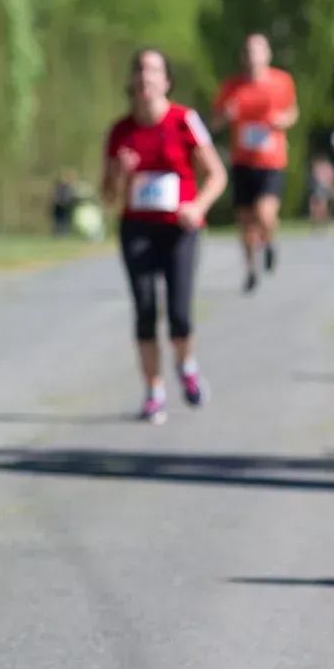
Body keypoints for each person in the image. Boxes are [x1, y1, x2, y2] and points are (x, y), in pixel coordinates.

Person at [103, 48, 227, 425]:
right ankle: (153, 391)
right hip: (137, 227)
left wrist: (199, 207)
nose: (146, 78)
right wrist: (121, 173)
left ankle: (186, 364)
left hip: (180, 228)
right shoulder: (121, 131)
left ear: (166, 82)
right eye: (140, 71)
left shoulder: (185, 120)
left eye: (154, 71)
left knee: (178, 313)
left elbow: (217, 175)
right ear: (132, 81)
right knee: (144, 311)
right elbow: (107, 194)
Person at [212, 32, 297, 293]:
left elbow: (293, 111)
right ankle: (251, 270)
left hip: (271, 160)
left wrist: (284, 121)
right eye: (248, 51)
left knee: (264, 214)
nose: (253, 56)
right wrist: (225, 117)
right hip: (242, 161)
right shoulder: (231, 87)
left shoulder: (281, 81)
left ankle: (269, 241)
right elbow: (213, 123)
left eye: (258, 51)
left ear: (267, 54)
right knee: (246, 222)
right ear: (243, 56)